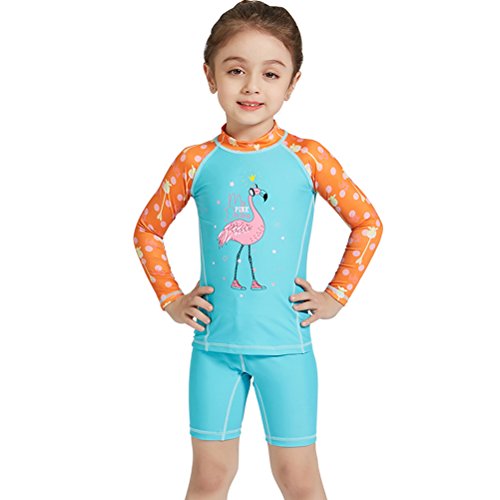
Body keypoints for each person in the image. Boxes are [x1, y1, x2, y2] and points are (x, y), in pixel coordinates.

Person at [133, 1, 383, 497]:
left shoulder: (309, 157)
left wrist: (336, 295)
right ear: (210, 76)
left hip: (285, 348)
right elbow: (147, 230)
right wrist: (171, 299)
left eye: (270, 73)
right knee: (209, 476)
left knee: (297, 478)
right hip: (213, 349)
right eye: (235, 70)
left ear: (292, 83)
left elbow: (367, 223)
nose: (251, 86)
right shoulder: (194, 162)